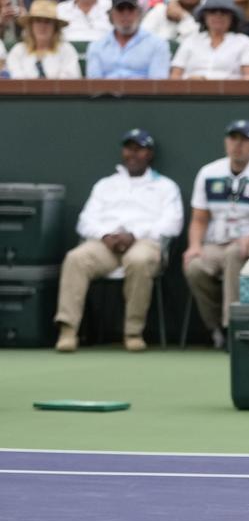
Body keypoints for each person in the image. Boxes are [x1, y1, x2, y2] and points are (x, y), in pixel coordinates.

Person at [51, 126, 182, 354]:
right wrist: (105, 235)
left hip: (145, 243)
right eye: (128, 149)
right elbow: (85, 221)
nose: (133, 155)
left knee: (139, 260)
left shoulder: (165, 186)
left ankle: (133, 332)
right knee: (76, 258)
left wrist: (135, 235)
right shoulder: (105, 185)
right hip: (106, 245)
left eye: (139, 150)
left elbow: (173, 223)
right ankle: (68, 330)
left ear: (149, 154)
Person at [183, 120, 249, 348]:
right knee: (194, 267)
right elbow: (199, 219)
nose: (237, 145)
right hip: (216, 242)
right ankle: (215, 328)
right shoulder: (208, 172)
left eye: (244, 140)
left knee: (234, 255)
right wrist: (194, 246)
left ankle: (234, 328)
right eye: (233, 139)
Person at [169, 0, 249, 79]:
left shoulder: (243, 42)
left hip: (231, 95)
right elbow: (175, 77)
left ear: (232, 17)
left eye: (224, 12)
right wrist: (190, 81)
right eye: (212, 11)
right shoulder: (190, 41)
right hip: (190, 94)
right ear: (204, 16)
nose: (218, 15)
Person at [84, 0, 170, 79]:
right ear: (111, 14)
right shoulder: (96, 46)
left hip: (144, 92)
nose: (126, 14)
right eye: (120, 9)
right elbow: (93, 85)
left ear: (138, 12)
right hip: (106, 92)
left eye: (130, 9)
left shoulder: (157, 44)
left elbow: (158, 85)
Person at [5, 0, 81, 78]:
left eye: (47, 22)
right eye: (38, 21)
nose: (42, 26)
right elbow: (16, 80)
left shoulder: (66, 50)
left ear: (55, 27)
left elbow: (70, 81)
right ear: (31, 26)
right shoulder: (18, 51)